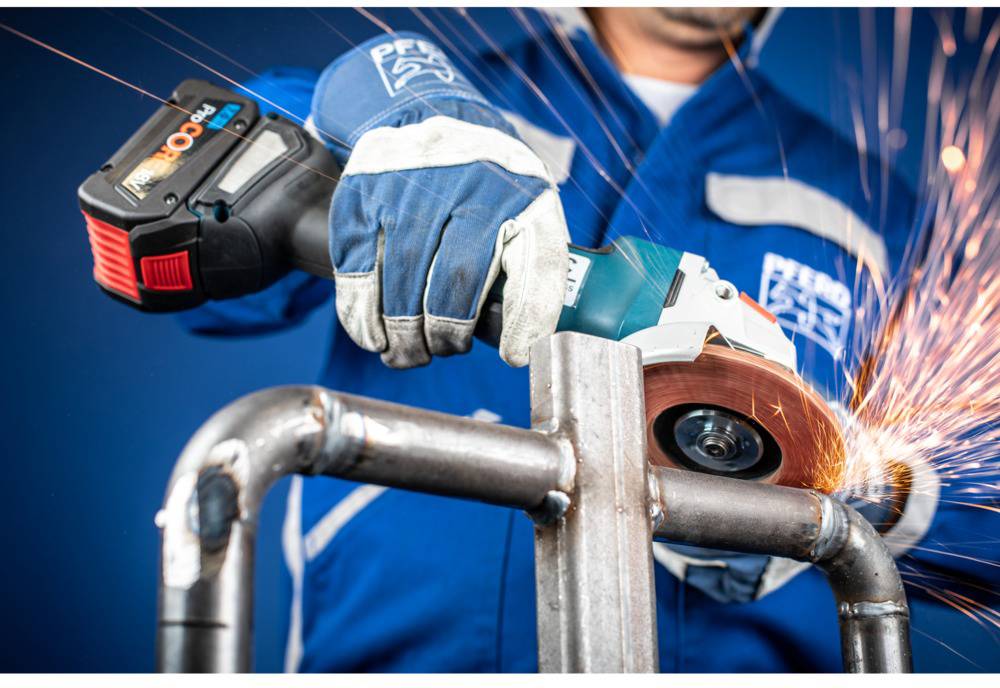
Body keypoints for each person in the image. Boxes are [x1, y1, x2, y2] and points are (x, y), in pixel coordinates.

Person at [181, 8, 980, 672]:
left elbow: (988, 507)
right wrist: (388, 112)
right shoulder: (445, 104)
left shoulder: (873, 209)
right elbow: (197, 201)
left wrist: (857, 486)